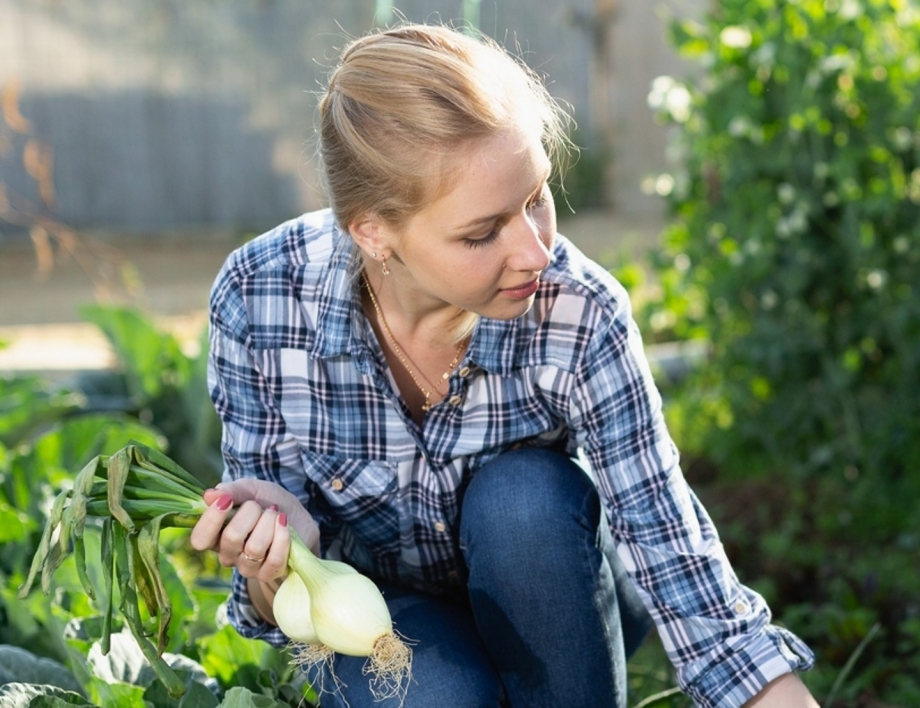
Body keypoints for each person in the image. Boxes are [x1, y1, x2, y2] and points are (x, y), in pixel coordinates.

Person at [189, 22, 819, 708]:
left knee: (523, 499)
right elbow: (269, 601)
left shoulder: (578, 311)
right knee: (442, 697)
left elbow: (672, 548)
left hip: (559, 592)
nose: (535, 252)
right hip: (383, 615)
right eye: (482, 232)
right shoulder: (262, 297)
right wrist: (278, 552)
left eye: (536, 198)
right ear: (373, 232)